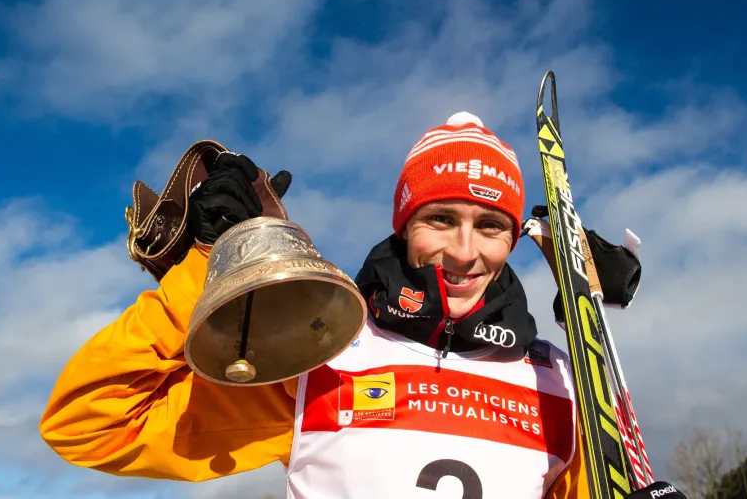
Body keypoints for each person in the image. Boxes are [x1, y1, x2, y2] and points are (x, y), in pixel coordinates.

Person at [39, 112, 683, 498]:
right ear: (405, 224)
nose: (464, 251)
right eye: (440, 219)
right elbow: (87, 424)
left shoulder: (559, 383)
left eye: (491, 227)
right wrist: (212, 265)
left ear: (515, 239)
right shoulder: (321, 354)